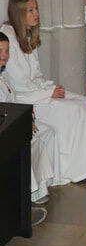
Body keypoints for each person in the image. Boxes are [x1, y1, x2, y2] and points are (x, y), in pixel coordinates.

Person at [1, 0, 86, 183]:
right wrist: (49, 92)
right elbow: (19, 84)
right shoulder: (8, 37)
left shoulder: (26, 34)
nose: (36, 14)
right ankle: (76, 171)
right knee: (74, 110)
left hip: (37, 92)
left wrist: (49, 87)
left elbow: (36, 75)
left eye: (36, 9)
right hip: (25, 100)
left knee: (84, 102)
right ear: (18, 13)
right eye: (30, 10)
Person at [0, 31, 59, 220]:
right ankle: (24, 203)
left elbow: (12, 102)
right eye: (0, 51)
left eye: (7, 51)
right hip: (5, 131)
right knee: (25, 145)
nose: (4, 55)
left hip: (11, 124)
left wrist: (28, 119)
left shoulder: (3, 75)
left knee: (44, 133)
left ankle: (38, 190)